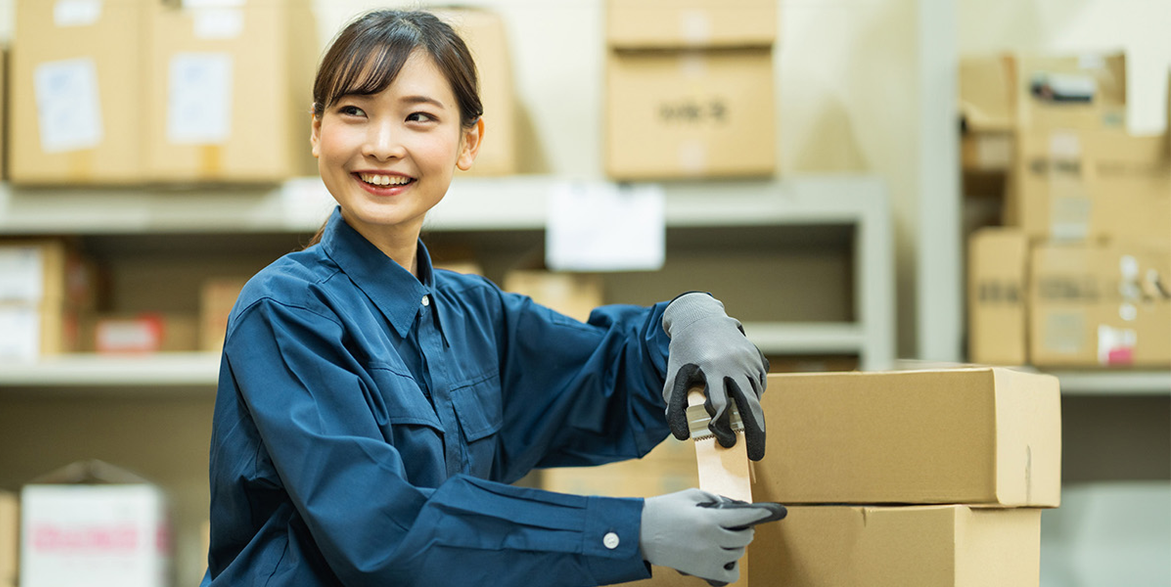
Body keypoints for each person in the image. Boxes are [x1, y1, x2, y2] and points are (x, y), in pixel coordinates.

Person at [203, 9, 780, 587]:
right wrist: (630, 531)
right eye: (354, 112)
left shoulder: (474, 314)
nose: (381, 145)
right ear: (316, 130)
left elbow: (602, 376)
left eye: (418, 117)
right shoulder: (286, 311)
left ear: (468, 141)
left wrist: (690, 320)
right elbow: (382, 533)